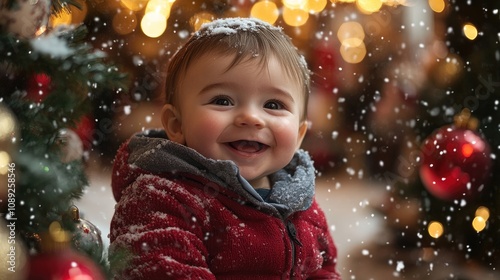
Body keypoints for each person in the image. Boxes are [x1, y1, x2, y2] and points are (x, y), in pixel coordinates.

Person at [109, 17, 340, 279]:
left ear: (299, 135)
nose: (251, 117)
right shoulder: (162, 198)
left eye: (273, 105)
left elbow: (324, 271)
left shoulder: (302, 206)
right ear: (177, 124)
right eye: (223, 100)